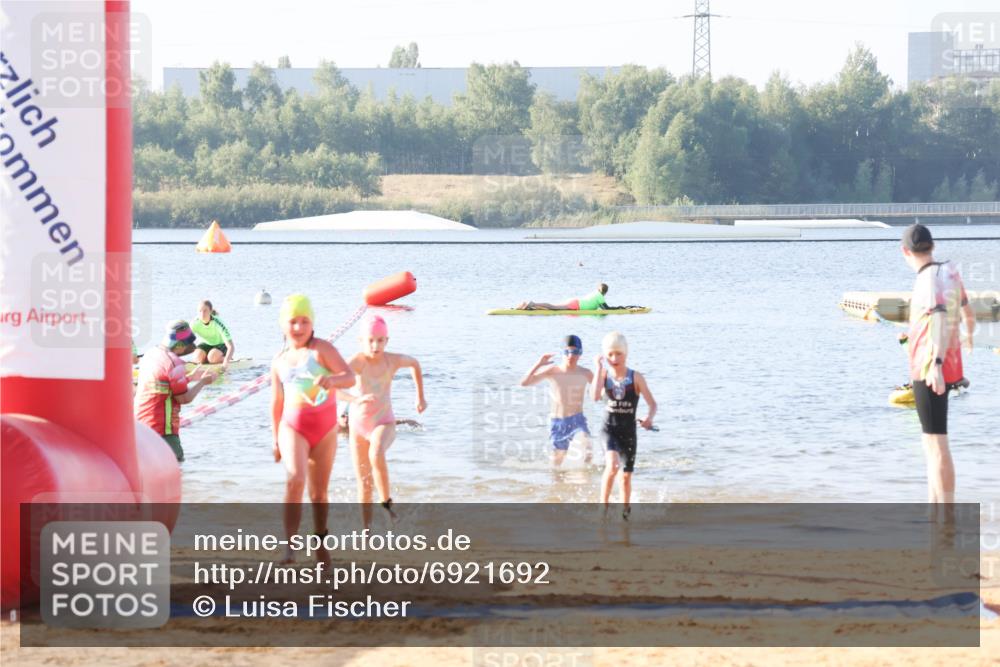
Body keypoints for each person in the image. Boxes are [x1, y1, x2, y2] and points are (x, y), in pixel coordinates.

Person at [270, 294, 355, 565]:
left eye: (304, 321)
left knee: (319, 494)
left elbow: (350, 377)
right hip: (292, 427)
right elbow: (276, 402)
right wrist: (275, 440)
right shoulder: (279, 360)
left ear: (312, 324)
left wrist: (332, 380)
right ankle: (289, 548)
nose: (298, 327)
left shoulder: (322, 350)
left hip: (325, 430)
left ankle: (320, 544)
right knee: (295, 479)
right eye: (293, 321)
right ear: (283, 324)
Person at [900, 224, 975, 508]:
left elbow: (940, 318)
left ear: (905, 251)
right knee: (930, 444)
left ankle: (946, 516)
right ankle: (935, 512)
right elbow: (967, 312)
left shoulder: (927, 279)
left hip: (930, 368)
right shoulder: (949, 272)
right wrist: (968, 335)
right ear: (932, 246)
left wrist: (937, 363)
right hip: (946, 365)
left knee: (936, 443)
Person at [339, 315, 426, 528]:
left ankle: (387, 505)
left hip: (384, 422)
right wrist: (355, 399)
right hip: (358, 428)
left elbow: (414, 363)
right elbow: (334, 387)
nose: (375, 346)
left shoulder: (392, 361)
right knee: (364, 484)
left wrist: (420, 397)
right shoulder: (357, 362)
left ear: (387, 340)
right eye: (370, 340)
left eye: (380, 340)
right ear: (361, 341)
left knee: (376, 452)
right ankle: (365, 532)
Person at [592, 331, 657, 520]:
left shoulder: (636, 378)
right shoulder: (603, 375)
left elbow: (653, 404)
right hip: (609, 430)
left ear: (626, 353)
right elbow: (594, 397)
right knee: (612, 466)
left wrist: (649, 418)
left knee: (626, 477)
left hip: (628, 432)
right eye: (610, 354)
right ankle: (603, 509)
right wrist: (598, 368)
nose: (614, 358)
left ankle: (625, 515)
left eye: (618, 354)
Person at [134, 320, 217, 462]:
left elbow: (163, 384)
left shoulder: (151, 354)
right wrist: (203, 382)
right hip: (163, 432)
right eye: (189, 345)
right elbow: (184, 398)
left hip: (140, 427)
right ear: (179, 345)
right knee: (177, 467)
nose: (191, 348)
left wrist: (190, 378)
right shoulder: (174, 363)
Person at [520, 335, 594, 466]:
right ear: (562, 352)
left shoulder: (586, 373)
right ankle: (557, 480)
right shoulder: (553, 371)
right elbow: (524, 383)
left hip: (578, 419)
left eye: (575, 352)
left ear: (580, 353)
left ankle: (585, 476)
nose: (570, 356)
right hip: (558, 422)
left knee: (588, 449)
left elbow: (603, 389)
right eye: (567, 352)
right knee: (557, 464)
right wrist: (538, 364)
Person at [191, 299, 235, 367]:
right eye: (200, 311)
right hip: (206, 344)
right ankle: (206, 360)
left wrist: (226, 361)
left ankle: (226, 358)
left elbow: (231, 346)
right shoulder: (194, 323)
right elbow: (186, 342)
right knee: (197, 358)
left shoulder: (218, 323)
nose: (202, 314)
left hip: (221, 344)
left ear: (210, 311)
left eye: (205, 311)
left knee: (212, 358)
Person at [517, 283, 609, 311]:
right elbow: (606, 308)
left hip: (575, 302)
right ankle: (533, 304)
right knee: (553, 307)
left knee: (552, 307)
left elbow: (602, 307)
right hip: (575, 305)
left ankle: (531, 306)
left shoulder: (595, 293)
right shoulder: (600, 296)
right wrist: (616, 308)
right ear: (605, 291)